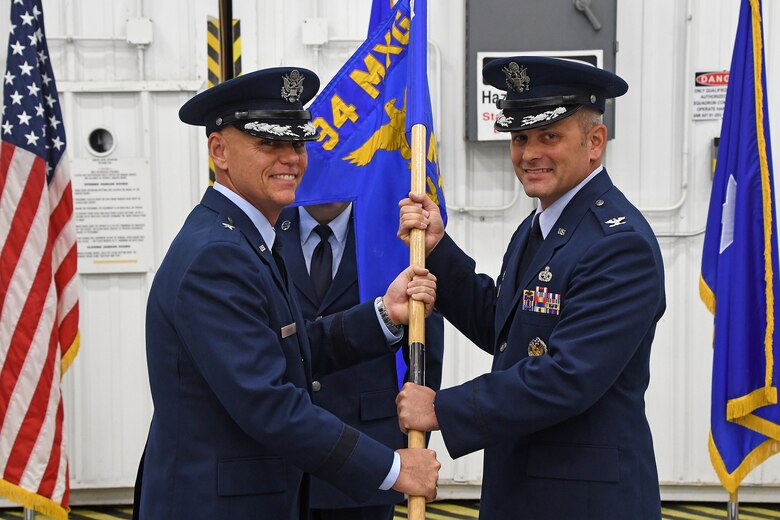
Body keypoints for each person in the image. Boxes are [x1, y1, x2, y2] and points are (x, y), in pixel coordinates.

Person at [135, 67, 440, 520]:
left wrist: (383, 314)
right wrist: (393, 468)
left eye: (297, 143)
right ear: (219, 151)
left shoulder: (246, 237)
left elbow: (291, 349)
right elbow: (269, 404)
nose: (291, 159)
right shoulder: (218, 256)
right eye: (268, 143)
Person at [396, 56, 666, 519]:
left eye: (549, 136)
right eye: (520, 138)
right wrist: (438, 250)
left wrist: (444, 409)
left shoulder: (619, 245)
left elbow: (568, 377)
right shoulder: (541, 225)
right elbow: (507, 329)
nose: (529, 154)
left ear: (595, 142)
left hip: (583, 502)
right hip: (524, 487)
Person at [275, 202, 445, 520]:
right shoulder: (268, 227)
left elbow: (425, 350)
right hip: (283, 454)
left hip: (371, 447)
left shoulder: (396, 230)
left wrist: (411, 442)